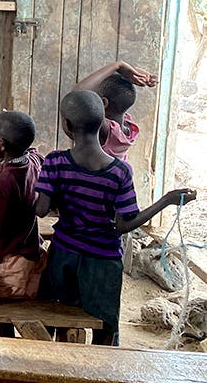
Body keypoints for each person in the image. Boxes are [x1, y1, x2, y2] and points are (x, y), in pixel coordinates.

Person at [35, 90, 196, 346]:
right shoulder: (120, 172)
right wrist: (165, 200)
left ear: (66, 125)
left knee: (56, 316)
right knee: (105, 326)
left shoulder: (55, 162)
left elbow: (40, 209)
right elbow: (124, 225)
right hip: (103, 260)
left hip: (63, 254)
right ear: (103, 123)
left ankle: (58, 362)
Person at [0, 111, 46, 337]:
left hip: (11, 259)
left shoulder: (2, 183)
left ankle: (8, 349)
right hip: (32, 249)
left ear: (1, 144)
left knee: (4, 311)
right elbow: (33, 150)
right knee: (24, 306)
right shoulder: (32, 161)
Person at [74, 60, 157, 161]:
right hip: (116, 170)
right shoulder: (127, 126)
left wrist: (118, 65)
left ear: (104, 102)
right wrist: (131, 73)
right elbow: (118, 91)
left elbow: (78, 94)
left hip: (96, 171)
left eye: (95, 95)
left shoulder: (107, 130)